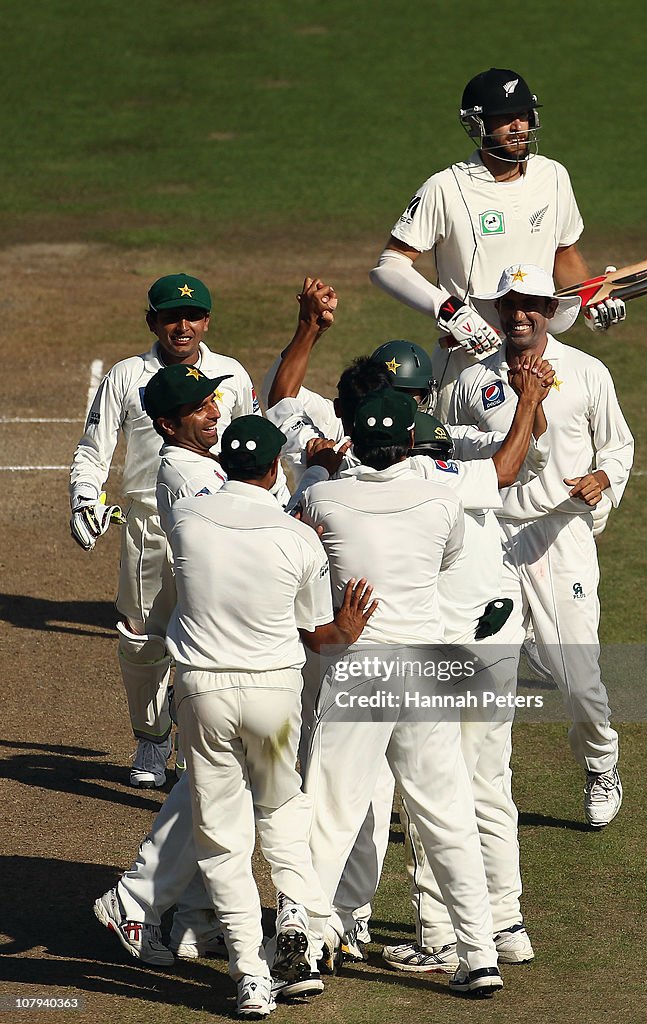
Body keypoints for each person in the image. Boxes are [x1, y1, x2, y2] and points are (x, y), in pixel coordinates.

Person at [165, 415, 376, 1018]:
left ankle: (250, 976)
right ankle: (297, 924)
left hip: (203, 696)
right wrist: (349, 629)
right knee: (284, 814)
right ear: (273, 467)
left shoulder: (185, 520)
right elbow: (318, 636)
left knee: (222, 838)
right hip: (273, 700)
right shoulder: (298, 539)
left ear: (225, 463)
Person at [301, 388, 506, 998]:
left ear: (354, 443)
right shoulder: (440, 501)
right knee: (448, 816)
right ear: (410, 442)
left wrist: (319, 467)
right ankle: (481, 953)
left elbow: (304, 554)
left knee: (330, 813)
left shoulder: (321, 497)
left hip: (360, 670)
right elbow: (446, 560)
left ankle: (306, 945)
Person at [449, 264, 634, 827]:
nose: (520, 314)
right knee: (480, 671)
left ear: (550, 311)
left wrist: (603, 479)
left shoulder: (586, 372)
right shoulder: (469, 378)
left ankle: (601, 763)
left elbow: (618, 447)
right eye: (509, 305)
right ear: (497, 311)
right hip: (491, 535)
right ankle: (467, 789)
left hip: (560, 534)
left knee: (575, 673)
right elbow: (443, 446)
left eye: (531, 304)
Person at [69, 273, 263, 788]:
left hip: (222, 522)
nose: (183, 326)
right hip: (150, 526)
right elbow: (94, 449)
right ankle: (152, 741)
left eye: (193, 315)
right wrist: (85, 496)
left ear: (207, 320)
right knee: (141, 640)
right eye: (171, 316)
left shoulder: (231, 375)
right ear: (152, 320)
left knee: (218, 637)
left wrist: (275, 509)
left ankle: (206, 744)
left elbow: (260, 445)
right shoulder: (127, 376)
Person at [370, 67, 626, 419]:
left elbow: (564, 254)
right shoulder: (446, 188)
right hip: (467, 361)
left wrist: (592, 299)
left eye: (523, 116)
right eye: (505, 119)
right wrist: (451, 312)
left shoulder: (553, 177)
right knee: (460, 468)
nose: (518, 127)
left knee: (540, 460)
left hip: (535, 357)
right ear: (479, 126)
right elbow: (390, 265)